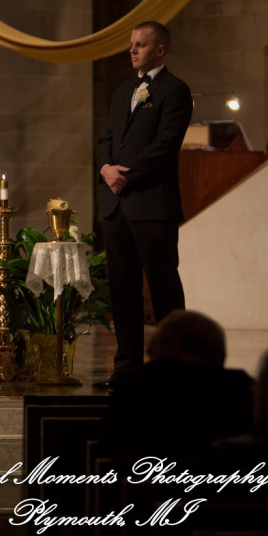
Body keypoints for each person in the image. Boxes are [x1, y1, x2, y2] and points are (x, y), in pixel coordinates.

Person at [94, 21, 193, 389]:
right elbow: (106, 139)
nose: (132, 50)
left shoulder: (175, 90)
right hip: (116, 208)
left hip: (152, 207)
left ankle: (174, 371)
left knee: (165, 291)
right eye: (132, 44)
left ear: (160, 50)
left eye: (140, 44)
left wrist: (126, 176)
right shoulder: (123, 91)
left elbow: (165, 146)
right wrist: (105, 169)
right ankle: (127, 369)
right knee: (122, 291)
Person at [102, 309, 253, 459]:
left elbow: (109, 447)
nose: (151, 363)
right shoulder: (244, 391)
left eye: (152, 354)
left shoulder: (134, 389)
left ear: (174, 348)